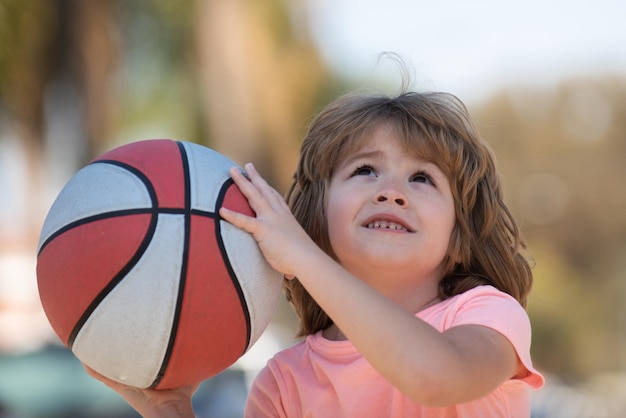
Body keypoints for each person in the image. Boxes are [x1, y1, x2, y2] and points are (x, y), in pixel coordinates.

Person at [87, 89, 544, 417]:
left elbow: (433, 377)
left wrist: (305, 259)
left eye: (422, 178)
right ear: (316, 218)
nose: (392, 192)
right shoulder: (285, 382)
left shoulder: (486, 316)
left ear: (459, 232)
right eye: (365, 169)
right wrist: (170, 410)